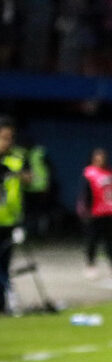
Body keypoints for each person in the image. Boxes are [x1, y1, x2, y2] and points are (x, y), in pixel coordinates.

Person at [78, 147, 112, 279]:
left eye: (102, 157)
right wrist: (86, 211)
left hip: (110, 212)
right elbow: (85, 193)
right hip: (95, 213)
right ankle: (90, 266)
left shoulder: (110, 173)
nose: (100, 159)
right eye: (97, 157)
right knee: (92, 240)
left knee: (110, 242)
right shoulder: (89, 173)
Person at [0, 116, 29, 315]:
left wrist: (16, 175)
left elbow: (30, 180)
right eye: (3, 137)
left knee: (4, 263)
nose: (6, 142)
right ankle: (10, 296)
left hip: (10, 220)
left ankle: (3, 303)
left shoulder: (18, 158)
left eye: (10, 138)